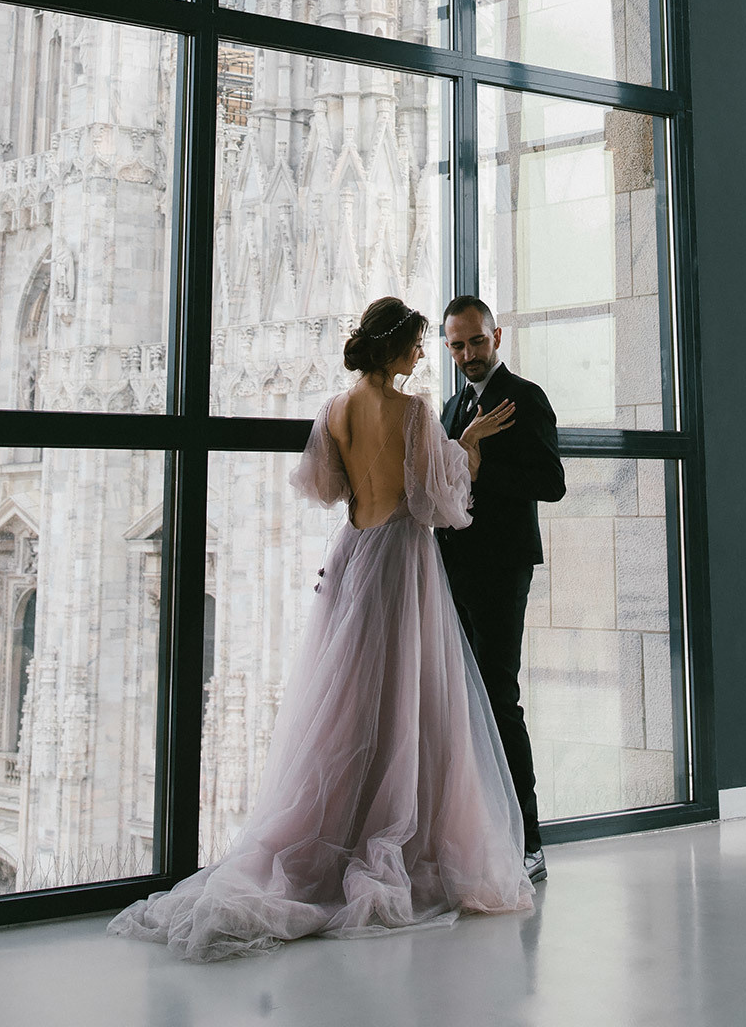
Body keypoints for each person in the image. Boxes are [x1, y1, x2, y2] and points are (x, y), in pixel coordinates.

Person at [110, 298, 533, 961]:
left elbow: (328, 486)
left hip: (353, 552)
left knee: (350, 702)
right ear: (395, 350)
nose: (424, 356)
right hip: (400, 560)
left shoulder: (335, 410)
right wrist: (469, 449)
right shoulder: (416, 410)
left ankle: (336, 832)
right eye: (419, 345)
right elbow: (438, 505)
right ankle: (402, 834)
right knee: (410, 697)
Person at [439, 296, 566, 885]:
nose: (467, 354)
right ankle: (478, 833)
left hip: (502, 567)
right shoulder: (450, 408)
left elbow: (552, 483)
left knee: (499, 700)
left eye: (475, 341)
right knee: (464, 703)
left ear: (497, 337)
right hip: (452, 569)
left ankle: (528, 841)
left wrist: (483, 467)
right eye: (456, 345)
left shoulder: (527, 398)